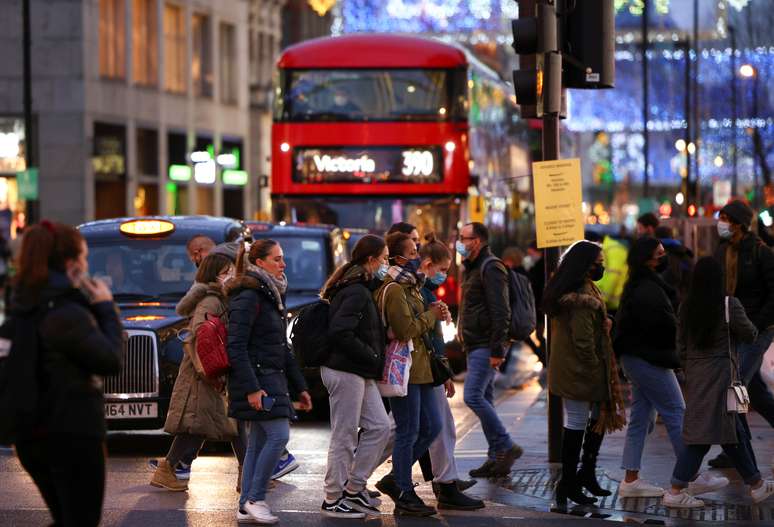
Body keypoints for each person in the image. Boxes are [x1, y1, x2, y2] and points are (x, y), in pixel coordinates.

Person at [11, 221, 123, 527]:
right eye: (84, 259)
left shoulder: (21, 304)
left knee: (66, 518)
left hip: (30, 433)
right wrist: (105, 308)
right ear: (71, 264)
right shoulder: (66, 313)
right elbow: (110, 360)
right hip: (73, 431)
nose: (86, 266)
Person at [664, 257, 774, 508]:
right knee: (705, 436)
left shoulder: (686, 306)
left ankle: (756, 484)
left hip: (698, 376)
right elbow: (750, 333)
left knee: (735, 431)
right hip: (726, 377)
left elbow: (680, 346)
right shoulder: (728, 305)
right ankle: (676, 489)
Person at [226, 239, 313, 524]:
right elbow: (236, 346)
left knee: (258, 442)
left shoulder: (270, 294)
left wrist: (299, 386)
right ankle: (256, 498)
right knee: (278, 436)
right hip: (259, 380)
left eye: (282, 258)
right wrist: (252, 388)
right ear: (259, 262)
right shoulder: (249, 296)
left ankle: (244, 504)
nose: (283, 264)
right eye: (277, 259)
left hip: (270, 377)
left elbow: (280, 345)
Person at [542, 240, 625, 507]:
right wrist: (593, 370)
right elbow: (583, 341)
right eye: (598, 262)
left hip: (574, 368)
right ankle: (568, 483)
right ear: (585, 265)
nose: (602, 265)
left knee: (592, 418)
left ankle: (583, 475)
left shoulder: (580, 288)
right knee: (577, 422)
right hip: (578, 370)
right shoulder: (581, 297)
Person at [150, 252, 242, 492]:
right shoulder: (210, 301)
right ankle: (250, 474)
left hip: (209, 374)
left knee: (211, 424)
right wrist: (212, 373)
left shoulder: (219, 298)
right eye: (225, 272)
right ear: (213, 276)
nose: (231, 276)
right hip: (205, 374)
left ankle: (168, 469)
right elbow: (203, 339)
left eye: (231, 271)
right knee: (220, 423)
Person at [318, 234, 392, 518]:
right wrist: (371, 355)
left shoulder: (361, 286)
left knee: (380, 427)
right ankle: (333, 497)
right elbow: (340, 332)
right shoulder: (355, 290)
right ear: (371, 260)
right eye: (384, 258)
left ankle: (354, 487)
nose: (386, 264)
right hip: (346, 370)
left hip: (360, 370)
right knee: (344, 435)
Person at [374, 232, 444, 516]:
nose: (418, 257)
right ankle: (403, 489)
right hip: (404, 369)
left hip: (421, 368)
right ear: (399, 257)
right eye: (413, 253)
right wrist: (430, 316)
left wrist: (429, 313)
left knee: (432, 426)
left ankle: (396, 478)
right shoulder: (393, 288)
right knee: (408, 430)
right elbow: (404, 330)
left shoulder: (412, 284)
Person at [417, 234, 484, 510]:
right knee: (395, 430)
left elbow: (434, 338)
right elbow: (414, 330)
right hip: (419, 370)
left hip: (428, 369)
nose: (444, 276)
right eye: (443, 270)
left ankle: (446, 481)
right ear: (428, 264)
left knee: (438, 427)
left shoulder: (425, 290)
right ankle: (362, 478)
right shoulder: (415, 289)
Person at [456, 222, 523, 478]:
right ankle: (496, 458)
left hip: (486, 344)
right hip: (475, 343)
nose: (460, 242)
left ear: (479, 241)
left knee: (472, 396)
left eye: (465, 238)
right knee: (486, 398)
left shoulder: (491, 267)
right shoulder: (472, 267)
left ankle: (506, 445)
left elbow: (501, 311)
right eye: (460, 237)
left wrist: (497, 349)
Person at [711, 200, 774, 468]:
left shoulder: (761, 253)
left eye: (725, 217)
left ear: (738, 223)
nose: (720, 222)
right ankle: (736, 447)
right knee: (754, 392)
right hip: (732, 329)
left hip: (756, 331)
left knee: (735, 388)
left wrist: (755, 325)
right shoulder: (722, 250)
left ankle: (736, 449)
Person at [655, 226, 694, 306]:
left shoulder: (655, 254)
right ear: (672, 237)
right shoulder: (684, 252)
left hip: (661, 301)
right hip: (682, 301)